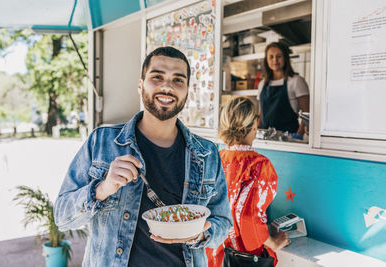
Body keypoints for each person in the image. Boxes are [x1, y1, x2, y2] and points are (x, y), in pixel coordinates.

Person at [54, 46, 232, 267]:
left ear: (187, 90)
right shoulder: (102, 142)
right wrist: (103, 188)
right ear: (140, 85)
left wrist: (199, 234)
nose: (167, 86)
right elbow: (62, 217)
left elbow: (223, 223)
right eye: (157, 77)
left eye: (178, 80)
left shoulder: (207, 154)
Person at [206, 97, 290, 267]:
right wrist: (273, 242)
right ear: (254, 126)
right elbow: (247, 216)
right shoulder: (259, 165)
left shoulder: (216, 158)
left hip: (215, 252)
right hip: (244, 257)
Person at [257, 42, 309, 139]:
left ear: (285, 58)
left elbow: (307, 113)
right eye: (271, 57)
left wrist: (299, 134)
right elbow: (260, 115)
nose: (275, 60)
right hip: (265, 140)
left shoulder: (296, 81)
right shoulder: (262, 84)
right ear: (266, 60)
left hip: (289, 139)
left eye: (279, 56)